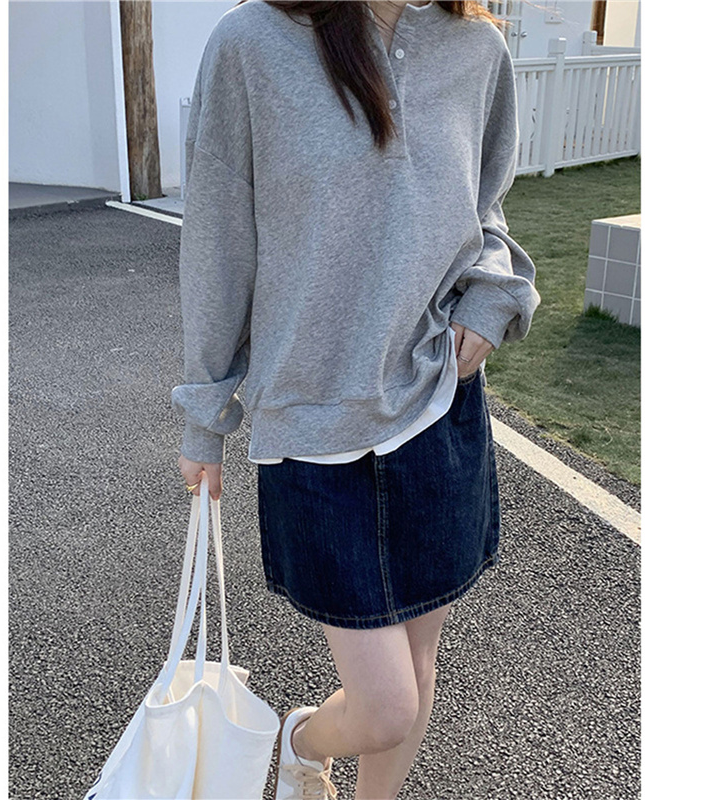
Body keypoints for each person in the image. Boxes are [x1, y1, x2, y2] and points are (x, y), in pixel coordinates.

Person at [173, 1, 541, 797]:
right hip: (310, 423)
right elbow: (217, 240)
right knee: (384, 706)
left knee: (419, 667)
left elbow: (484, 208)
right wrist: (206, 416)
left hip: (437, 406)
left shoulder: (476, 49)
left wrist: (490, 297)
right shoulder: (251, 44)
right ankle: (302, 739)